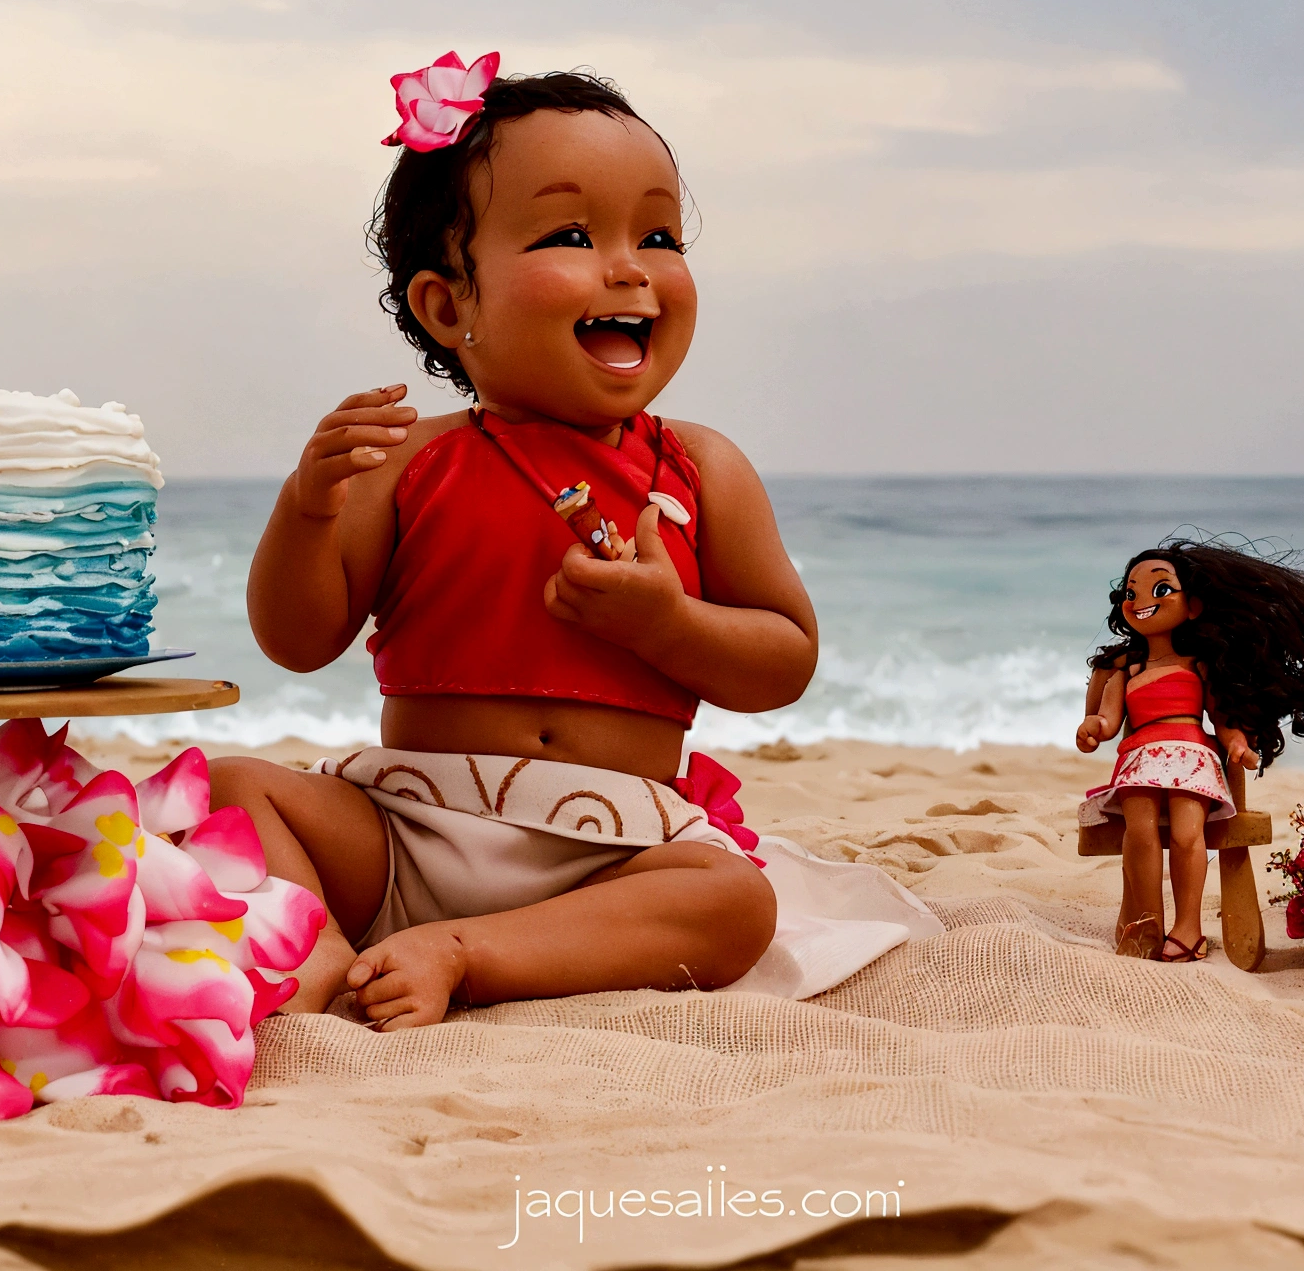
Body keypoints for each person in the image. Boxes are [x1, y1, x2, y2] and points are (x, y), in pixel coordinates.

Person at [214, 53, 935, 1029]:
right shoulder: (410, 460)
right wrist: (306, 506)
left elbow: (783, 662)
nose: (631, 264)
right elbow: (298, 640)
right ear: (449, 305)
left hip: (614, 853)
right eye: (571, 233)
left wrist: (670, 624)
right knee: (234, 786)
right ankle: (333, 951)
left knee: (733, 902)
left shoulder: (701, 469)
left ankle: (468, 952)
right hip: (408, 830)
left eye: (659, 233)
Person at [1076, 539, 1304, 962]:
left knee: (1187, 834)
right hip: (1140, 758)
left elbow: (1223, 716)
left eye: (1159, 590)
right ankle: (1147, 919)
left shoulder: (1200, 665)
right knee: (1138, 832)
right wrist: (1093, 728)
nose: (1140, 601)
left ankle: (1189, 926)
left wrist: (1237, 744)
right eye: (1130, 592)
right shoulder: (1127, 669)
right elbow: (1108, 719)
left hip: (1192, 755)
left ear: (1192, 606)